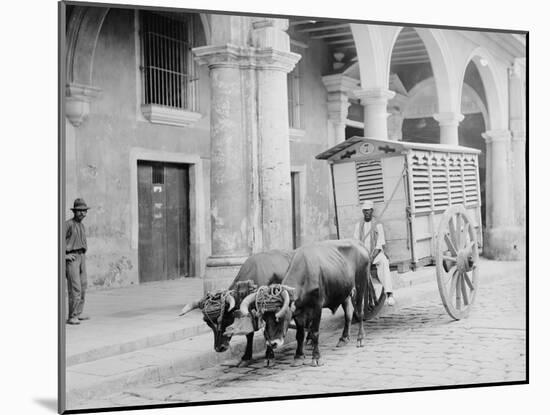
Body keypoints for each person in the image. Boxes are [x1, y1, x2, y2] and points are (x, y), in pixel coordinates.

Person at [353, 200, 395, 306]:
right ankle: (357, 296)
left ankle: (389, 294)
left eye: (368, 211)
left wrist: (371, 257)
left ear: (372, 211)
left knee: (384, 262)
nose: (366, 213)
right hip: (362, 255)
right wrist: (363, 256)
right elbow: (355, 243)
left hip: (375, 254)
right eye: (364, 211)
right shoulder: (359, 225)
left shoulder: (378, 224)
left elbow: (379, 244)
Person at [65, 198, 91, 324]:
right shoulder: (68, 224)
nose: (82, 213)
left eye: (84, 211)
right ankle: (72, 316)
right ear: (74, 211)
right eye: (80, 211)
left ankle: (78, 312)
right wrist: (63, 256)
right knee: (75, 288)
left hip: (81, 257)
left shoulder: (81, 225)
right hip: (72, 257)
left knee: (83, 285)